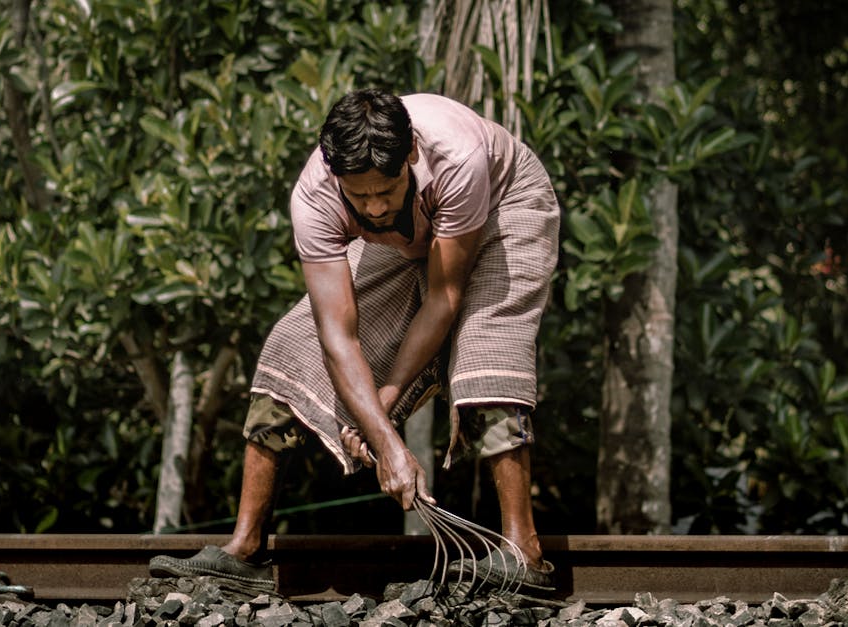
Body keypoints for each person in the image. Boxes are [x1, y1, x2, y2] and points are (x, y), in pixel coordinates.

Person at [149, 88, 561, 593]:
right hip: (410, 238)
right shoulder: (315, 197)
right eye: (358, 194)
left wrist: (383, 409)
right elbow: (336, 336)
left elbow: (444, 297)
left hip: (501, 206)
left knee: (486, 352)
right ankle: (246, 550)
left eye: (384, 190)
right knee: (290, 345)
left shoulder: (459, 159)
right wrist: (384, 437)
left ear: (410, 152)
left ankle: (525, 552)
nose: (373, 204)